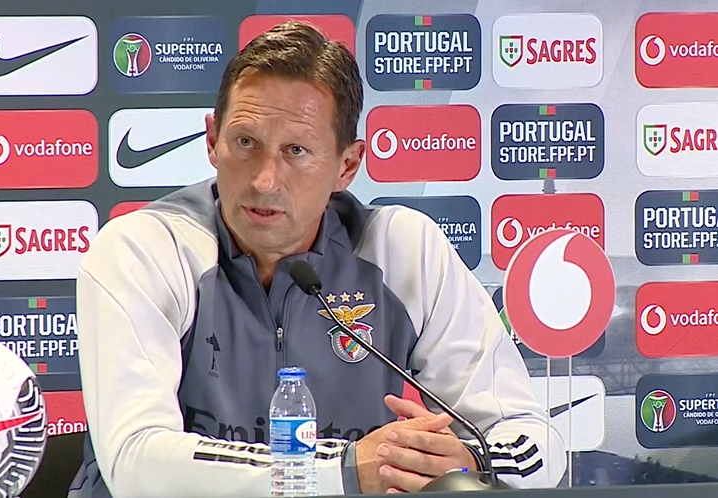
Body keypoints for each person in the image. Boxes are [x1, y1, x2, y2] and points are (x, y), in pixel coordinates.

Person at [68, 20, 566, 498]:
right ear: (212, 141)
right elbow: (136, 463)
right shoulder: (145, 251)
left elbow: (533, 440)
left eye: (296, 151)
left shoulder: (401, 251)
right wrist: (340, 471)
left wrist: (469, 460)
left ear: (347, 165)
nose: (265, 179)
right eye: (246, 143)